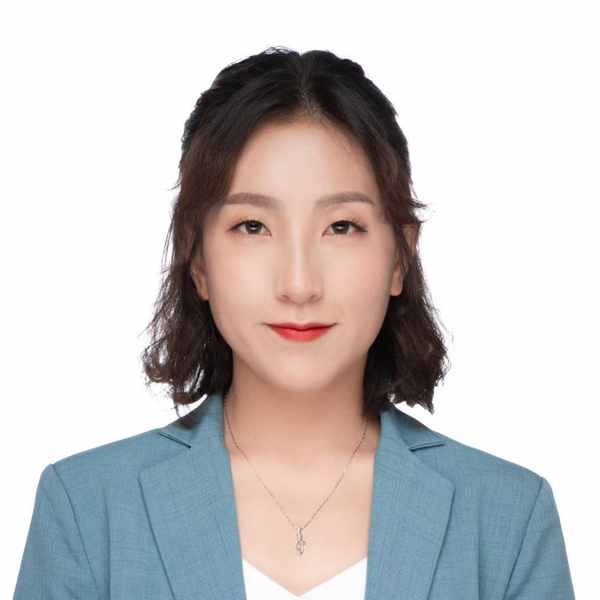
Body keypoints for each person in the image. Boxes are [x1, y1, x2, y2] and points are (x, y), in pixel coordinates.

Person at [13, 46, 575, 599]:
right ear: (198, 259)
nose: (300, 284)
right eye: (253, 226)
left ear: (400, 256)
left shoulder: (508, 519)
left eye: (342, 227)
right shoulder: (86, 511)